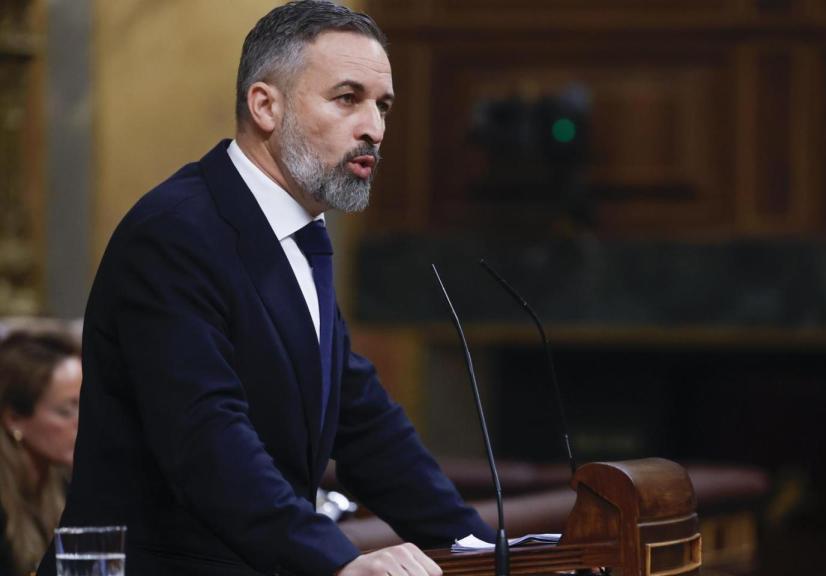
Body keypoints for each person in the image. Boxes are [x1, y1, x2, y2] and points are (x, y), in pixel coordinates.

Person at [37, 2, 492, 575]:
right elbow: (207, 442)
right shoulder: (175, 234)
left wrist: (484, 550)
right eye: (348, 98)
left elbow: (365, 425)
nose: (374, 127)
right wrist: (338, 563)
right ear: (265, 105)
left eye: (383, 105)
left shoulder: (298, 233)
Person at [0, 331, 82, 576]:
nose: (84, 422)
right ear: (14, 418)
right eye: (67, 410)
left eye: (86, 405)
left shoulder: (66, 486)